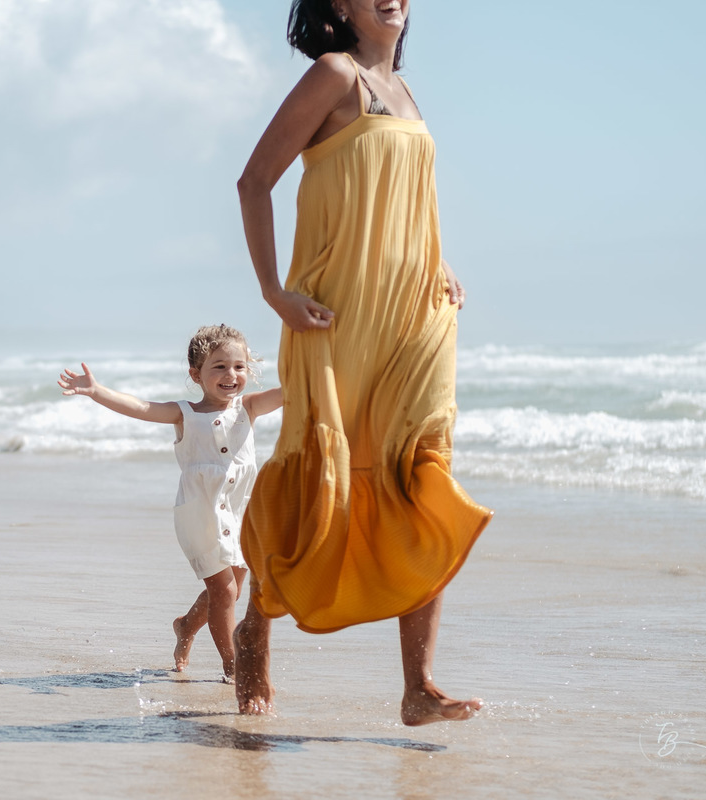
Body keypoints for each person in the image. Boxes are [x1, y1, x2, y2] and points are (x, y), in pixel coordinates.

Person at [233, 0, 493, 722]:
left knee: (420, 475)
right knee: (320, 479)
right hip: (336, 316)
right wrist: (273, 292)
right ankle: (255, 626)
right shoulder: (334, 76)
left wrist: (441, 265)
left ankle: (418, 686)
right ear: (340, 4)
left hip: (417, 318)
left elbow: (409, 203)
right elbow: (255, 181)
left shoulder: (408, 94)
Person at [59, 325, 282, 678]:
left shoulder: (249, 407)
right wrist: (97, 392)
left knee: (231, 591)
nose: (231, 375)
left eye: (239, 366)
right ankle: (233, 666)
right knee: (224, 591)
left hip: (242, 514)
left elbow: (294, 390)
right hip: (200, 515)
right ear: (196, 374)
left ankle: (185, 627)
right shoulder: (185, 414)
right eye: (219, 366)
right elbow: (141, 408)